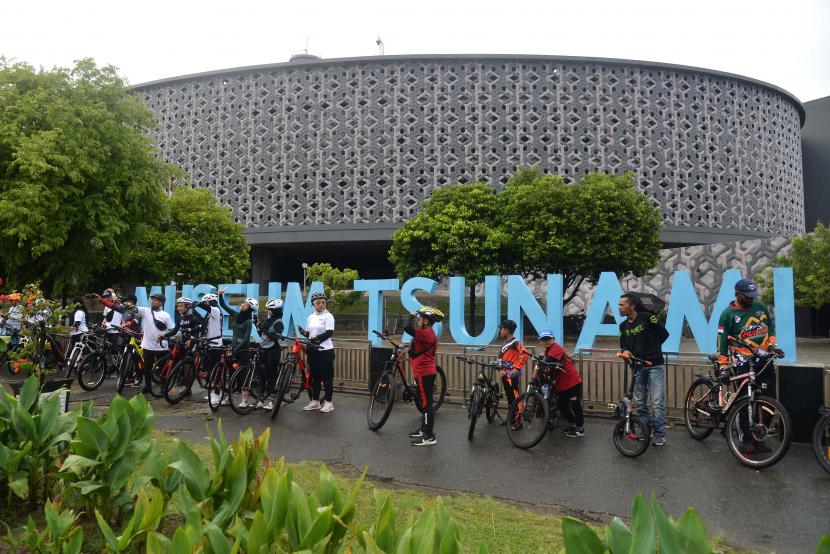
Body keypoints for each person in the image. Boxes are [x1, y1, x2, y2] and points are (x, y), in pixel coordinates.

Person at [618, 292, 669, 446]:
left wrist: (651, 348)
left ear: (632, 306)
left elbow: (664, 334)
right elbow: (623, 344)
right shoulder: (623, 326)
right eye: (619, 305)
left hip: (655, 365)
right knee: (640, 402)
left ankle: (659, 433)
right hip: (637, 367)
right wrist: (626, 350)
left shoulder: (648, 318)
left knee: (657, 401)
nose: (619, 308)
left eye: (622, 305)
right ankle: (645, 429)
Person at [403, 306, 444, 446]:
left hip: (424, 373)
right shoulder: (427, 332)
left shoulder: (426, 333)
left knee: (426, 404)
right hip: (424, 371)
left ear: (426, 321)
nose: (418, 320)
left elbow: (407, 328)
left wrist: (411, 315)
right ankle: (423, 429)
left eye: (420, 319)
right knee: (424, 402)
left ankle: (429, 436)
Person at [536, 329, 584, 437]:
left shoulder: (555, 348)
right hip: (562, 384)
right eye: (544, 339)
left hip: (571, 381)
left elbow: (547, 361)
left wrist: (539, 367)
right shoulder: (548, 351)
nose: (546, 341)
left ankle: (579, 428)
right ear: (540, 341)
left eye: (548, 338)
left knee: (575, 405)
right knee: (562, 405)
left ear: (553, 339)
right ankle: (572, 424)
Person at [299, 292, 336, 413]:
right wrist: (304, 332)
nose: (321, 305)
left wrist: (316, 339)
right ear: (313, 305)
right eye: (318, 303)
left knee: (327, 379)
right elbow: (310, 334)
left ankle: (329, 403)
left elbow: (329, 333)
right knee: (315, 378)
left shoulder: (328, 316)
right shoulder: (311, 317)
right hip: (313, 351)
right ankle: (315, 402)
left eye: (323, 302)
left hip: (325, 351)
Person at [133, 293, 174, 393]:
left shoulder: (166, 315)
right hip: (148, 346)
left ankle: (164, 386)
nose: (153, 301)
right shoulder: (145, 311)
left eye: (156, 300)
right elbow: (134, 309)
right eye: (153, 300)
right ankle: (147, 386)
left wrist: (167, 337)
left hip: (162, 347)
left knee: (163, 369)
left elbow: (171, 329)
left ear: (161, 303)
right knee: (147, 368)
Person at [498, 319, 529, 424]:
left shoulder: (515, 343)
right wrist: (500, 368)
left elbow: (525, 354)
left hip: (511, 376)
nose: (500, 331)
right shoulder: (506, 343)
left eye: (501, 329)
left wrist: (517, 368)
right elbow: (504, 358)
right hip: (505, 375)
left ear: (506, 330)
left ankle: (518, 421)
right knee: (510, 398)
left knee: (515, 398)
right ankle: (511, 418)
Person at [257, 298, 285, 410]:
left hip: (273, 350)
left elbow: (276, 337)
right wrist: (258, 327)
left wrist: (264, 330)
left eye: (271, 309)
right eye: (269, 309)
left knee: (272, 374)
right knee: (261, 374)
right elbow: (262, 335)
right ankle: (261, 398)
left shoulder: (279, 322)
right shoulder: (268, 321)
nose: (269, 311)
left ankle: (273, 399)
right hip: (263, 348)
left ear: (277, 311)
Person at [216, 289, 256, 366]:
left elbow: (246, 339)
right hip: (234, 348)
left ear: (249, 310)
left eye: (246, 305)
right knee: (231, 372)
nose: (243, 305)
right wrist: (220, 294)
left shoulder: (248, 322)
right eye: (244, 303)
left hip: (242, 351)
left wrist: (237, 348)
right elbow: (223, 305)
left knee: (241, 374)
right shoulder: (236, 315)